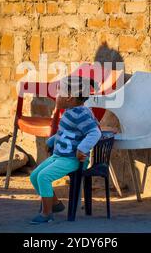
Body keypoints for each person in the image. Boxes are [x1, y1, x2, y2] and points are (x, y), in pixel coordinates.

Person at [29, 76, 102, 225]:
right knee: (35, 176)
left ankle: (47, 214)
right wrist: (52, 141)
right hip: (60, 156)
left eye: (59, 92)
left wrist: (82, 148)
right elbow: (66, 133)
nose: (56, 95)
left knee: (43, 177)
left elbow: (95, 132)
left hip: (72, 159)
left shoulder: (81, 114)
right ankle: (55, 204)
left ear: (69, 97)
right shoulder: (70, 112)